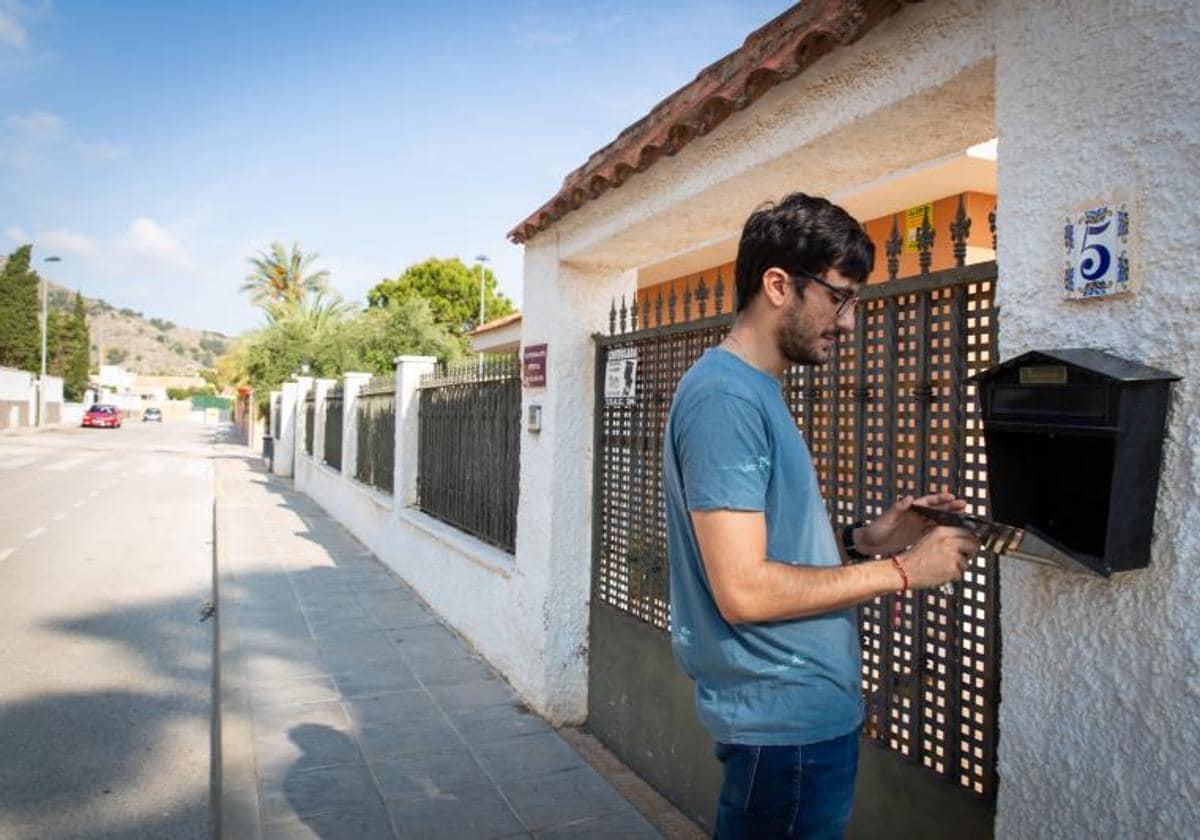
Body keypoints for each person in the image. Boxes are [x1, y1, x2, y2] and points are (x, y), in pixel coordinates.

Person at [663, 193, 979, 839]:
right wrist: (902, 570)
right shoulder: (725, 398)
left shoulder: (753, 391)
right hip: (784, 726)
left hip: (797, 721)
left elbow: (769, 549)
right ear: (778, 284)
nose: (848, 321)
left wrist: (868, 540)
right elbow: (744, 590)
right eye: (839, 296)